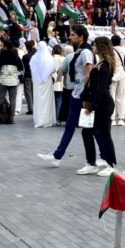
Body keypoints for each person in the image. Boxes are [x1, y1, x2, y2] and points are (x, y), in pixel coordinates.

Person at [37, 25, 94, 167]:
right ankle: (57, 155)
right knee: (73, 126)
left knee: (91, 129)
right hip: (77, 93)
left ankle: (103, 158)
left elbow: (89, 74)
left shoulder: (86, 52)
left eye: (73, 35)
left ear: (81, 37)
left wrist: (87, 96)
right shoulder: (79, 52)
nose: (70, 37)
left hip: (82, 95)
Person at [77, 36, 117, 178]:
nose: (92, 47)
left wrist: (92, 106)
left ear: (100, 47)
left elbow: (101, 89)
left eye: (94, 45)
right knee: (87, 132)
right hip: (97, 103)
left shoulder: (105, 65)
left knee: (105, 134)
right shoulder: (100, 63)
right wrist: (85, 98)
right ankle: (91, 163)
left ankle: (111, 165)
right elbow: (92, 85)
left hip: (103, 105)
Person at [31, 40, 57, 128]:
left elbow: (32, 68)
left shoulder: (34, 58)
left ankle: (39, 119)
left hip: (37, 83)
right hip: (47, 82)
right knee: (47, 100)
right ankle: (47, 120)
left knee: (38, 100)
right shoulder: (49, 58)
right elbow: (53, 68)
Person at [110, 34, 125, 125]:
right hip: (121, 75)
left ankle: (112, 119)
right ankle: (121, 118)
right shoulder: (123, 50)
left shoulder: (109, 51)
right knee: (121, 97)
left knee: (111, 97)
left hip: (112, 75)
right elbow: (123, 44)